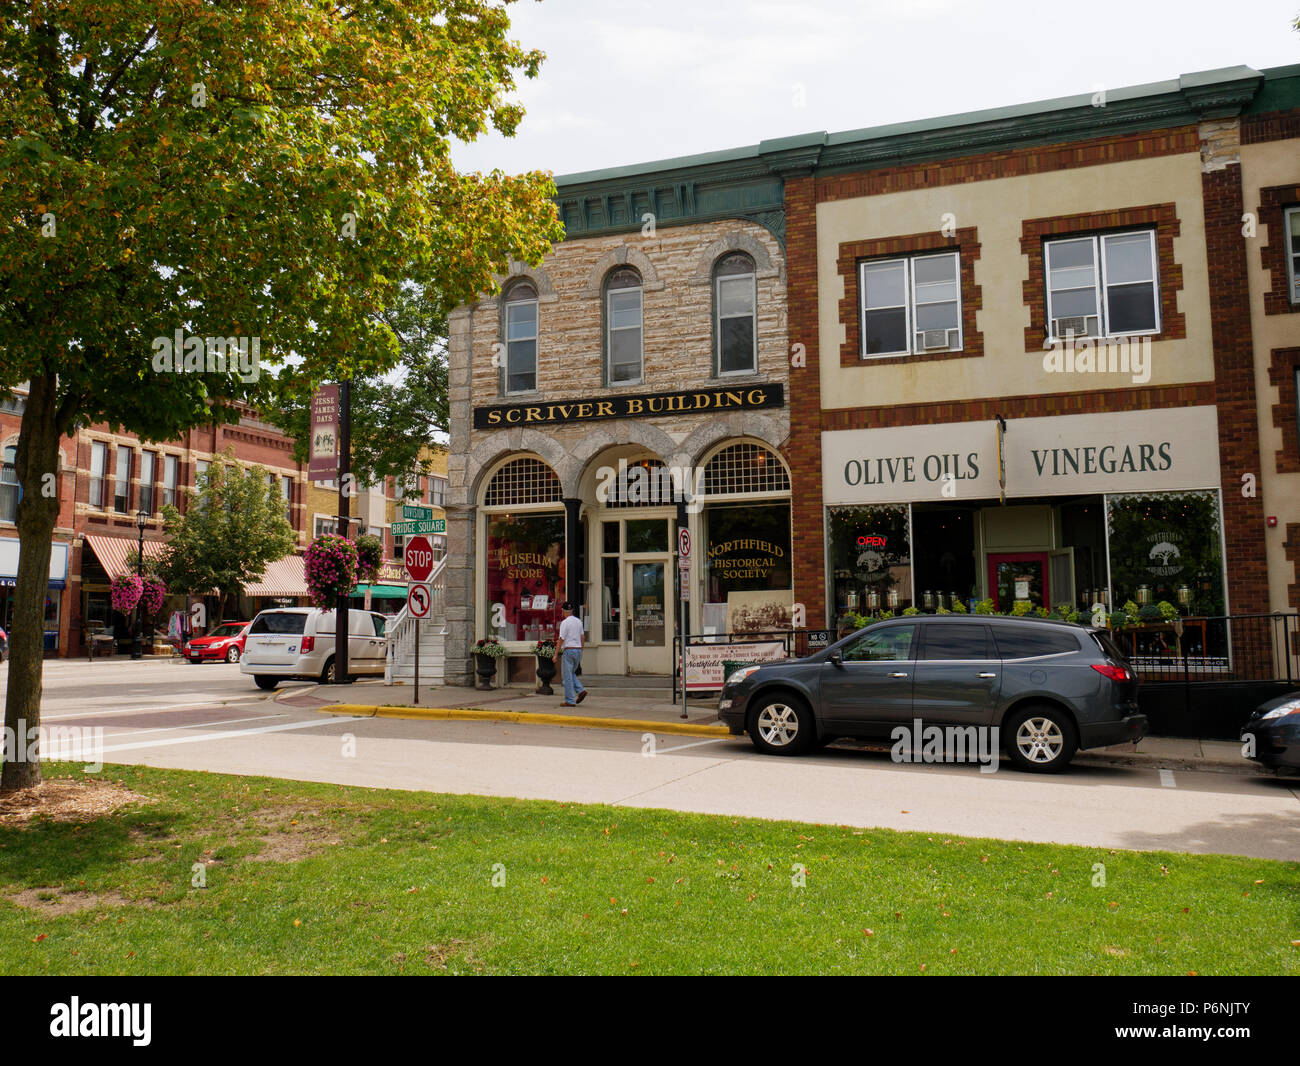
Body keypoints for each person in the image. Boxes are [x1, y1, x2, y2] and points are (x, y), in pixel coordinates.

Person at [554, 601, 587, 706]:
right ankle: (580, 691)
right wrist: (581, 650)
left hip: (568, 650)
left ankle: (570, 700)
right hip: (577, 650)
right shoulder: (578, 621)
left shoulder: (565, 623)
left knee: (567, 677)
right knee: (571, 674)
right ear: (572, 611)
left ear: (563, 611)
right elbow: (582, 637)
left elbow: (561, 639)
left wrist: (555, 654)